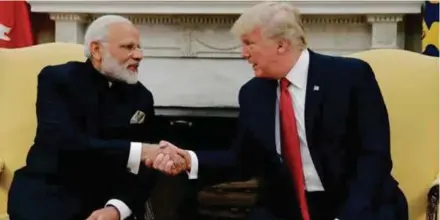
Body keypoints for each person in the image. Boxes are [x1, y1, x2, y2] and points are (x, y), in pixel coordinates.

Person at [152, 2, 408, 220]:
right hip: (290, 208)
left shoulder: (349, 76)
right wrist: (189, 159)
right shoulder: (253, 92)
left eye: (249, 43)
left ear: (282, 45)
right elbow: (243, 159)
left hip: (360, 203)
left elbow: (374, 156)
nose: (243, 54)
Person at [7, 15, 187, 220]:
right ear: (96, 50)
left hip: (106, 199)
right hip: (48, 195)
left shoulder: (141, 97)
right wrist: (142, 151)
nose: (139, 55)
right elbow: (66, 144)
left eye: (139, 47)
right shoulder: (57, 80)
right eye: (128, 47)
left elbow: (144, 171)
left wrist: (117, 209)